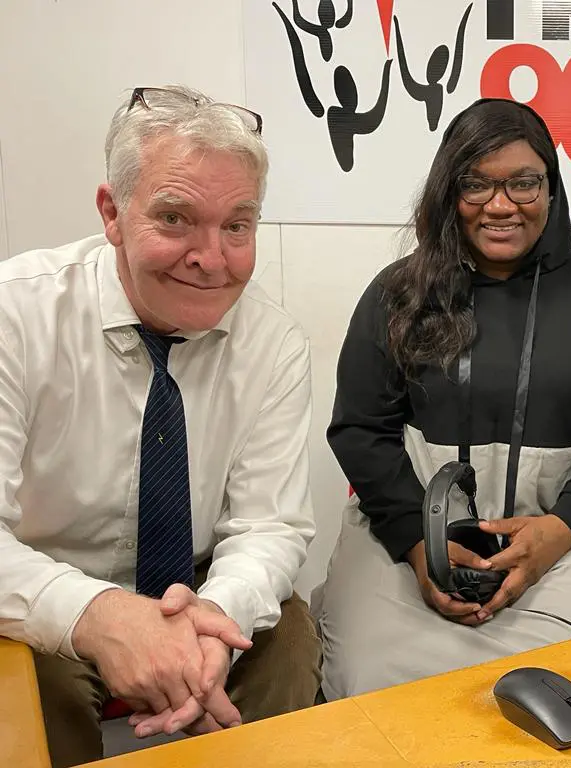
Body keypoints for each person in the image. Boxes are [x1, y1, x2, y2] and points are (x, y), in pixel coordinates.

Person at [0, 85, 321, 767]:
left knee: (288, 638)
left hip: (192, 584)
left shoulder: (274, 344)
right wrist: (99, 616)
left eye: (237, 226)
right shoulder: (14, 317)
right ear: (112, 213)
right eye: (175, 219)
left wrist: (212, 621)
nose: (212, 258)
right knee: (33, 682)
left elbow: (269, 526)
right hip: (45, 582)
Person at [316, 98, 571, 698]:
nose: (501, 205)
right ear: (449, 191)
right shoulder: (398, 294)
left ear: (551, 189)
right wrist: (418, 545)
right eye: (476, 184)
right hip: (409, 540)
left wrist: (560, 530)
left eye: (523, 183)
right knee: (367, 684)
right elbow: (360, 429)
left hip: (562, 541)